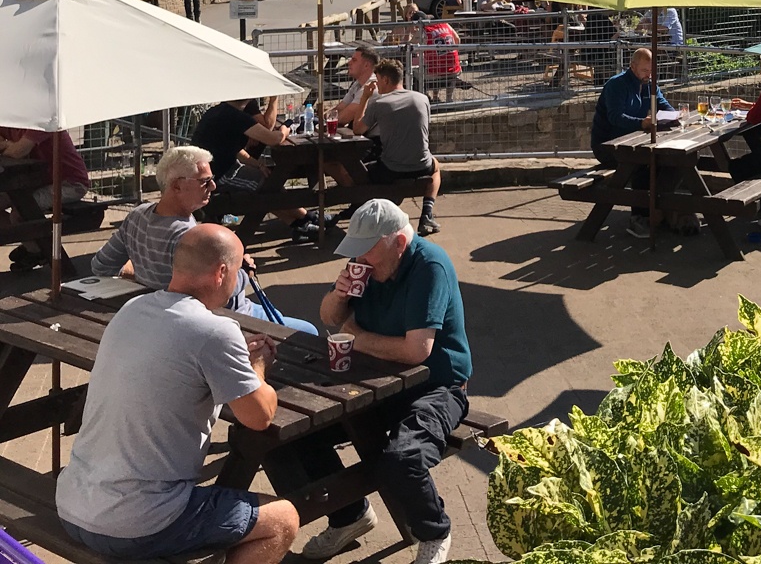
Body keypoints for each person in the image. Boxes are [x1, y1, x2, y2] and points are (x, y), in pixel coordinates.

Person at [56, 225, 300, 563]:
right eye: (241, 269)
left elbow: (181, 357)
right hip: (137, 522)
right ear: (222, 272)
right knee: (282, 518)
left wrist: (232, 360)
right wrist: (257, 365)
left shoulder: (132, 309)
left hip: (73, 504)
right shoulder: (216, 331)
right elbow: (259, 418)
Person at [275, 200, 470, 563]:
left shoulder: (429, 265)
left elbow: (417, 351)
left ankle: (434, 531)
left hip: (436, 386)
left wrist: (355, 336)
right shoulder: (366, 263)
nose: (359, 261)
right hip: (373, 383)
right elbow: (330, 317)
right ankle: (349, 517)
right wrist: (339, 294)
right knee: (285, 436)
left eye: (366, 253)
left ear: (398, 242)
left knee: (401, 460)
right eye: (356, 253)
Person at [91, 146, 320, 335]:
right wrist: (242, 270)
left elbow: (101, 265)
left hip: (164, 319)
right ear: (177, 186)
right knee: (308, 332)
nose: (213, 186)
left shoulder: (136, 216)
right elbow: (221, 294)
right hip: (225, 320)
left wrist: (140, 271)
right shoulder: (189, 238)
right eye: (205, 181)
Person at [192, 97, 321, 243]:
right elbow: (274, 138)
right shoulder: (235, 116)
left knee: (267, 181)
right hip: (216, 177)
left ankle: (299, 223)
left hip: (212, 171)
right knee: (268, 185)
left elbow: (234, 150)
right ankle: (308, 217)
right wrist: (287, 126)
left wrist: (257, 164)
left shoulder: (219, 111)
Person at [351, 58, 442, 236]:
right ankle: (426, 214)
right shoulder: (422, 98)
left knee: (357, 171)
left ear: (385, 80)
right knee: (436, 167)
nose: (376, 86)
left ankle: (361, 211)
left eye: (377, 81)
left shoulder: (379, 103)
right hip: (422, 165)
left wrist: (364, 98)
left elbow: (357, 129)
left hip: (391, 168)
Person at [590, 48, 674, 239]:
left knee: (666, 162)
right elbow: (614, 117)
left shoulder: (649, 84)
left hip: (635, 142)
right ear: (633, 66)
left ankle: (662, 210)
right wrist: (640, 123)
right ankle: (639, 217)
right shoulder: (616, 85)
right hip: (607, 145)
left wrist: (675, 115)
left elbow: (663, 105)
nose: (649, 75)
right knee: (642, 165)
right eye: (645, 70)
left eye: (652, 71)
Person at [0, 124, 91, 271]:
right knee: (21, 206)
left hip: (70, 183)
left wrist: (10, 146)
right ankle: (34, 245)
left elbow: (19, 151)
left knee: (21, 211)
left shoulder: (43, 124)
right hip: (38, 181)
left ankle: (37, 250)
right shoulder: (9, 122)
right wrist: (8, 144)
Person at [417, 11, 462, 103]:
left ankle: (431, 97)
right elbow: (457, 39)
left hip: (434, 73)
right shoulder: (445, 24)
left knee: (417, 70)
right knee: (442, 62)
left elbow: (418, 50)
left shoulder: (423, 31)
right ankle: (449, 98)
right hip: (454, 69)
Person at [334, 43, 381, 127]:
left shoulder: (371, 86)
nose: (349, 62)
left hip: (371, 138)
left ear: (366, 65)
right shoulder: (358, 83)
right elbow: (340, 108)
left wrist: (327, 119)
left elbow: (343, 118)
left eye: (354, 60)